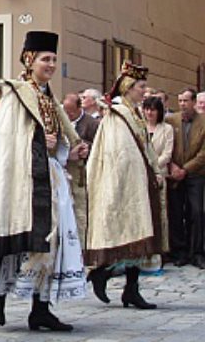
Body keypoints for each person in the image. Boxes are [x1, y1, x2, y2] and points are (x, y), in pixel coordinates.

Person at [0, 31, 88, 331]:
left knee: (53, 242)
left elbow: (55, 138)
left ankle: (41, 307)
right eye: (44, 59)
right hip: (22, 180)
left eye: (53, 59)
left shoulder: (49, 97)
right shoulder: (17, 94)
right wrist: (40, 141)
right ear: (29, 60)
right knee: (21, 240)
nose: (50, 64)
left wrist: (68, 148)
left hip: (50, 177)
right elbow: (8, 141)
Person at [85, 62, 164, 309]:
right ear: (129, 88)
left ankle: (131, 289)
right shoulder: (117, 115)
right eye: (141, 87)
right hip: (126, 183)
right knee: (129, 232)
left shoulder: (135, 112)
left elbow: (144, 147)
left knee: (138, 235)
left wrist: (154, 170)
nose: (144, 91)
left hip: (141, 181)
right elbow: (118, 152)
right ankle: (103, 273)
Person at [165, 88, 205, 267]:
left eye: (186, 101)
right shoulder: (171, 120)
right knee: (175, 212)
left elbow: (203, 153)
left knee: (196, 212)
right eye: (180, 100)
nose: (182, 104)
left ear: (194, 102)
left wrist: (186, 169)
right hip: (174, 174)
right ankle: (179, 251)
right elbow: (166, 145)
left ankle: (196, 252)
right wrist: (172, 165)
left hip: (195, 174)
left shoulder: (203, 122)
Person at [62, 92, 98, 245]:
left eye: (71, 112)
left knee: (81, 212)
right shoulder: (62, 122)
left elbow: (99, 146)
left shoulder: (92, 123)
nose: (68, 115)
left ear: (79, 108)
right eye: (65, 111)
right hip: (65, 171)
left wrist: (87, 148)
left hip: (83, 175)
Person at [144, 95, 173, 267]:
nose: (149, 113)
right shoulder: (141, 127)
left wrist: (154, 166)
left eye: (153, 109)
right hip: (143, 173)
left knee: (160, 211)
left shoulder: (166, 129)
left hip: (159, 174)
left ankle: (161, 249)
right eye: (147, 109)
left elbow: (167, 153)